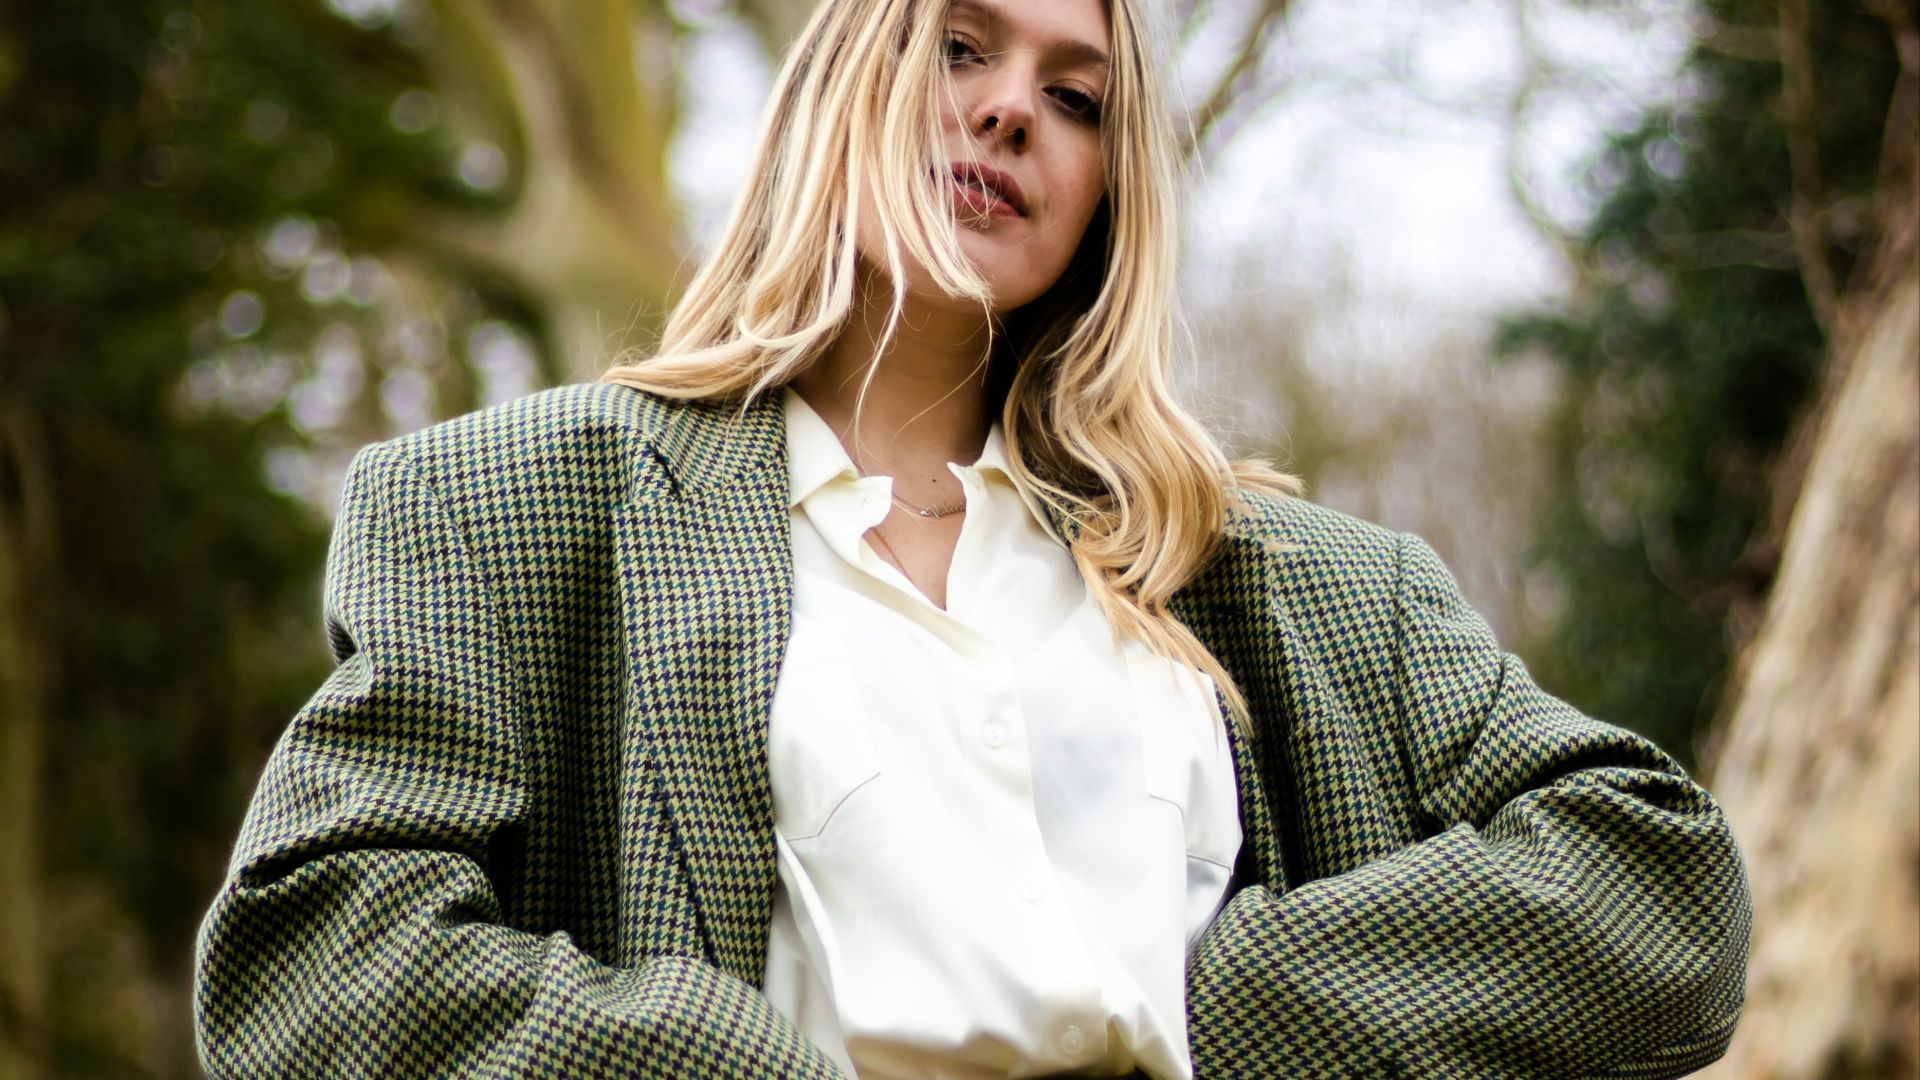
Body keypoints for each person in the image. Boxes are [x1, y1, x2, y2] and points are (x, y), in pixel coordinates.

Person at [191, 0, 1754, 1075]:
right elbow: (318, 954)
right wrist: (733, 1063)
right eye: (959, 47)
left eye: (1077, 99)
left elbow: (1659, 887)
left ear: (1108, 193)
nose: (1012, 108)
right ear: (843, 79)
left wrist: (1236, 1012)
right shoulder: (514, 510)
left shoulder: (1291, 581)